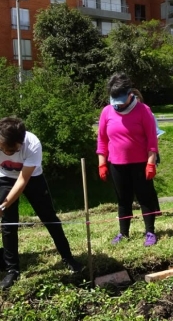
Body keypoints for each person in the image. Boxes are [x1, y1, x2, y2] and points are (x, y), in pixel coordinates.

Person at [0, 117, 82, 290]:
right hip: (5, 178)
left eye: (6, 148)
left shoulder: (32, 144)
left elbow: (23, 180)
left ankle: (68, 258)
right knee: (8, 224)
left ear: (19, 144)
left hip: (32, 179)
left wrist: (3, 205)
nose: (2, 148)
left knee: (49, 218)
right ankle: (12, 270)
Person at [97, 73, 160, 246]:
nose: (117, 103)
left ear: (130, 93)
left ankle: (150, 232)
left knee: (145, 198)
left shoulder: (143, 110)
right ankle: (123, 233)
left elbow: (152, 140)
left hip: (140, 164)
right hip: (117, 164)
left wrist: (151, 162)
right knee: (123, 200)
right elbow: (102, 139)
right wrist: (102, 163)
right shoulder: (106, 112)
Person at [131, 88, 163, 165]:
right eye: (132, 98)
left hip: (146, 155)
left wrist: (154, 155)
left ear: (139, 98)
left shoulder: (148, 114)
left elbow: (154, 136)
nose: (134, 101)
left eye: (136, 97)